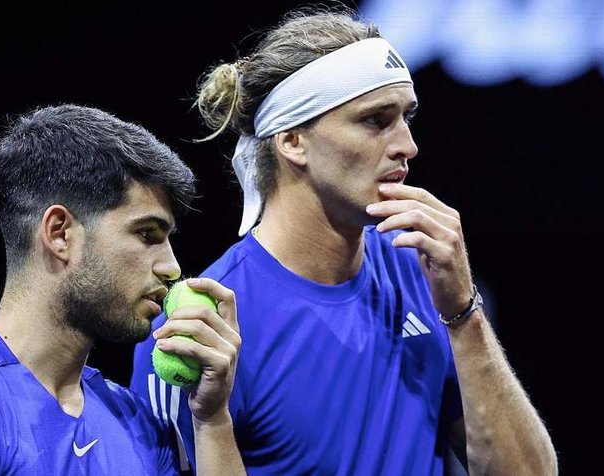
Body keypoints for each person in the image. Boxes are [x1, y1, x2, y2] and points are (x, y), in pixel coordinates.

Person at [130, 6, 558, 475]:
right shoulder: (200, 329)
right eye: (376, 120)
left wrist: (463, 313)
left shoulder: (422, 272)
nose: (407, 145)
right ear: (292, 140)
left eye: (406, 117)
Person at [0, 104, 245, 475]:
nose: (171, 267)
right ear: (60, 234)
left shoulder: (134, 422)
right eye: (147, 234)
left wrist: (211, 420)